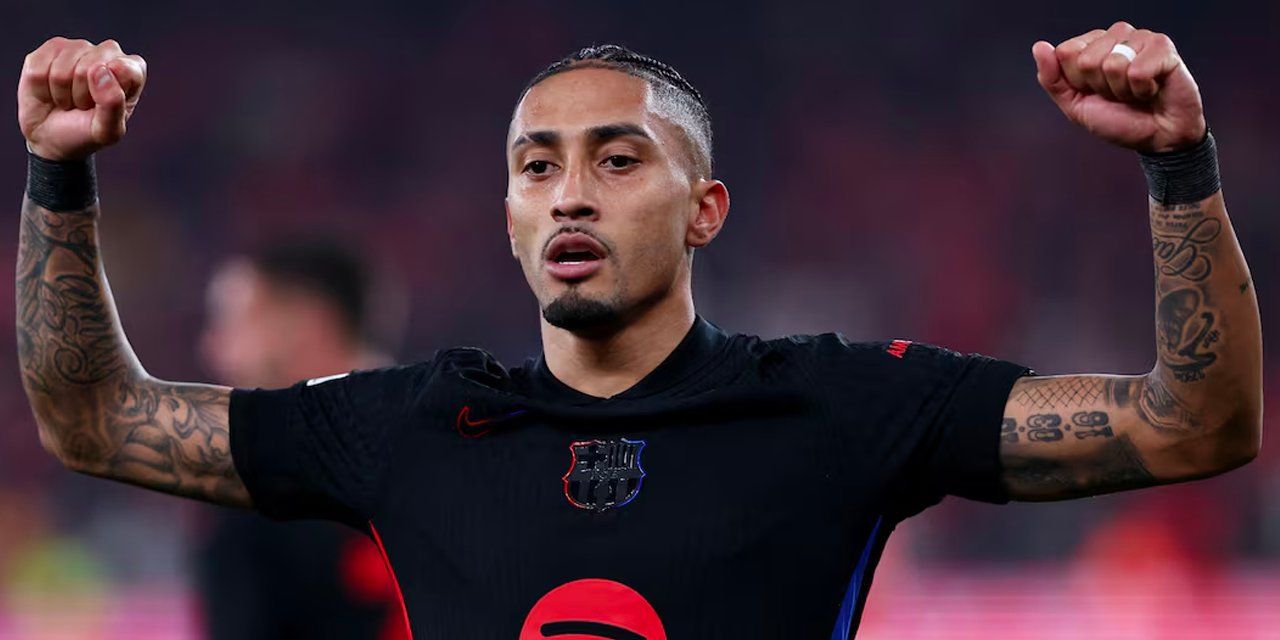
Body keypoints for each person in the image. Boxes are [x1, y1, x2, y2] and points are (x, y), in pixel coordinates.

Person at [15, 23, 1262, 638]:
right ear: (508, 217)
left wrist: (1177, 167)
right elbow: (98, 421)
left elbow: (1194, 423)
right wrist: (58, 176)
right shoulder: (405, 426)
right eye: (536, 166)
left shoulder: (839, 405)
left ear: (704, 208)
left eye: (616, 160)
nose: (569, 193)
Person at [194, 244, 407, 640]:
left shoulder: (254, 492)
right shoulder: (467, 437)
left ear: (308, 325)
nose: (211, 349)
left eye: (232, 324)